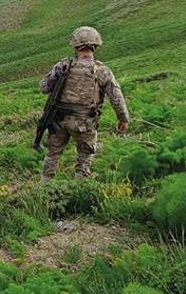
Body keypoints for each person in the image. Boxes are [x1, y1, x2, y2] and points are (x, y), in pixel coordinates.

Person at [40, 26, 129, 182]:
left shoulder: (63, 66)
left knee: (52, 154)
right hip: (85, 122)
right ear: (95, 46)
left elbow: (43, 88)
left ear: (75, 46)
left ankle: (44, 188)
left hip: (59, 120)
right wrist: (123, 119)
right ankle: (79, 189)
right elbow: (116, 97)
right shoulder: (102, 71)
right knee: (85, 156)